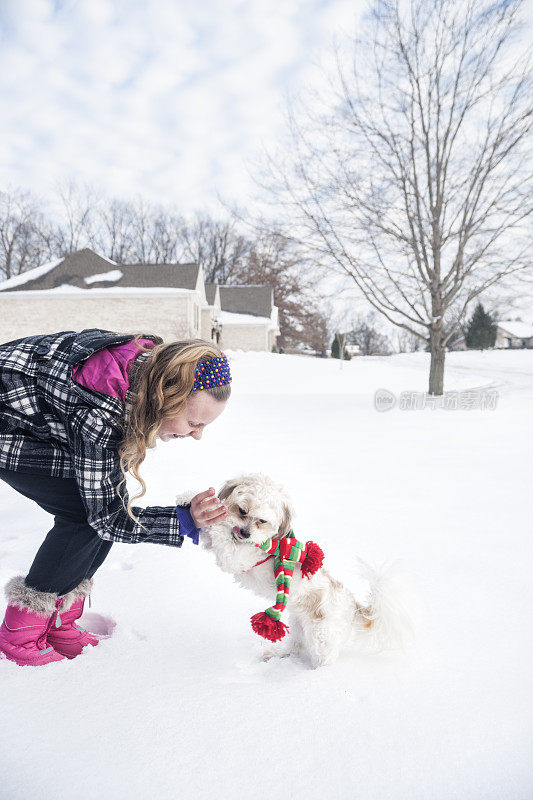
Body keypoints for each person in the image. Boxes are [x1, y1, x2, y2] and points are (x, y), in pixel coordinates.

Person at [0, 328, 231, 667]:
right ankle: (19, 634)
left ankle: (59, 620)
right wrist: (183, 520)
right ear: (165, 397)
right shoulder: (101, 406)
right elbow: (108, 518)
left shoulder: (143, 379)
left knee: (99, 504)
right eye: (194, 422)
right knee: (84, 514)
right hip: (9, 426)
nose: (196, 435)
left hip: (42, 422)